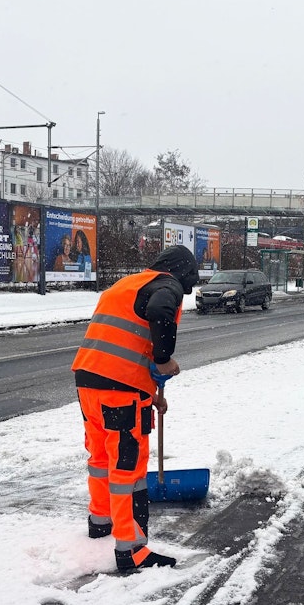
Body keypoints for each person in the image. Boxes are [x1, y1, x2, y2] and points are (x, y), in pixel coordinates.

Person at [71, 245, 199, 573]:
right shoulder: (166, 284)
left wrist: (151, 395)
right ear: (182, 273)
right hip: (121, 390)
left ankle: (100, 522)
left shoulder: (125, 285)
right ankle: (131, 549)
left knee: (100, 456)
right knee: (128, 468)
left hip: (89, 381)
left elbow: (123, 342)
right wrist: (163, 359)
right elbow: (160, 309)